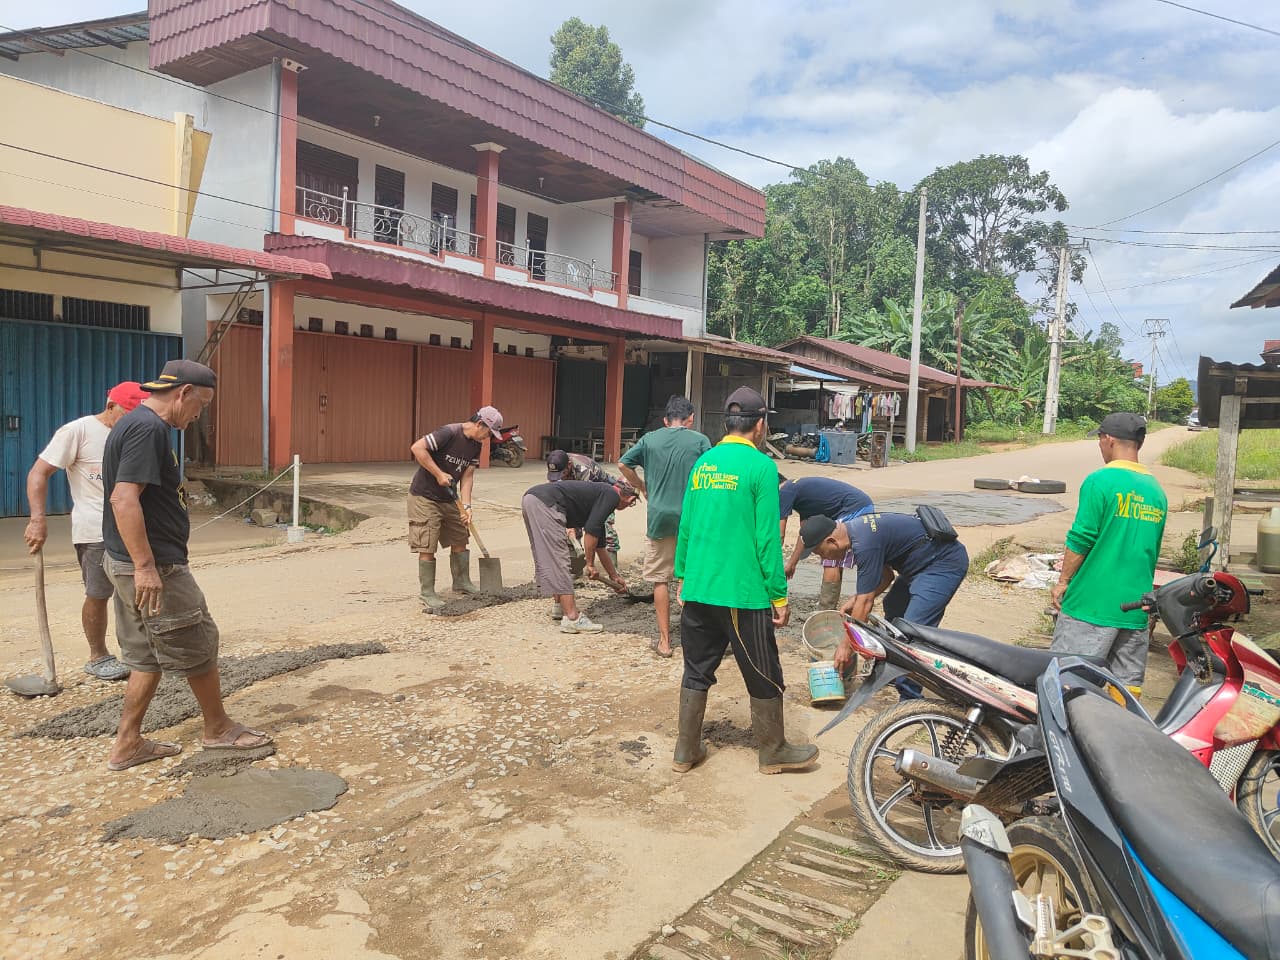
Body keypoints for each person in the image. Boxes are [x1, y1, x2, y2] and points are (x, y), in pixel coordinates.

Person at [101, 360, 272, 770]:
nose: (199, 415)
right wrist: (146, 566)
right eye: (202, 405)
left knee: (145, 656)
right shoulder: (148, 428)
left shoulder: (136, 423)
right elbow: (123, 499)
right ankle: (218, 729)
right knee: (197, 645)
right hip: (154, 568)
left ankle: (127, 744)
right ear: (184, 393)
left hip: (125, 563)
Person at [672, 387, 816, 775]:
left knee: (697, 668)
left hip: (699, 586)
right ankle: (773, 750)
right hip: (741, 591)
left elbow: (685, 525)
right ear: (760, 425)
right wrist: (779, 595)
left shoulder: (704, 464)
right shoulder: (761, 467)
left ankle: (685, 752)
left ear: (726, 423)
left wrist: (682, 576)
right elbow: (767, 538)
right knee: (763, 669)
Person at [22, 381, 149, 681]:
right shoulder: (77, 432)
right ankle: (98, 656)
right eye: (128, 414)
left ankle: (139, 653)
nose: (132, 421)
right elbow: (38, 473)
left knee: (136, 593)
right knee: (98, 593)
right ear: (110, 407)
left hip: (133, 528)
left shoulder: (138, 434)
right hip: (94, 531)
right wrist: (38, 519)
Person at [1051, 412, 1167, 697]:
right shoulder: (1156, 491)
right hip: (1136, 608)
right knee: (1126, 688)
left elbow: (1081, 538)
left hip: (1092, 605)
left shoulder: (1100, 481)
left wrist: (1064, 580)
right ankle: (1118, 740)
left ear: (1108, 439)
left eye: (1100, 441)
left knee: (1067, 681)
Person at [800, 511, 969, 698]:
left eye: (821, 553)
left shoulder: (864, 544)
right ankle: (891, 672)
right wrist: (856, 599)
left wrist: (846, 646)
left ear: (832, 542)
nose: (824, 559)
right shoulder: (858, 532)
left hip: (942, 566)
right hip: (918, 566)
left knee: (913, 633)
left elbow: (866, 603)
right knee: (893, 607)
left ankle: (910, 699)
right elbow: (886, 576)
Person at [618, 396, 711, 658]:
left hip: (658, 517)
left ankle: (665, 642)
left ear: (665, 419)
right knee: (692, 576)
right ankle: (697, 640)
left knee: (660, 579)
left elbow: (623, 464)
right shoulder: (700, 441)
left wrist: (641, 485)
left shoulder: (649, 439)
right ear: (690, 419)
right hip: (691, 517)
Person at [408, 406, 504, 610]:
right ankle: (427, 593)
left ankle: (461, 582)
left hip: (449, 498)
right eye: (488, 432)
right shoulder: (449, 433)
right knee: (428, 544)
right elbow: (417, 448)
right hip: (424, 496)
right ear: (480, 424)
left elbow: (467, 477)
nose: (488, 437)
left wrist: (466, 506)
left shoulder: (475, 446)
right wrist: (439, 474)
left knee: (461, 536)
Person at [521, 479, 638, 633]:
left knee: (550, 557)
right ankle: (572, 618)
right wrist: (590, 565)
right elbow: (590, 531)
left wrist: (614, 576)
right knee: (559, 560)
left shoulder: (601, 495)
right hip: (547, 503)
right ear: (630, 499)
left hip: (532, 499)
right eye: (632, 504)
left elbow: (600, 546)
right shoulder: (611, 496)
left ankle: (559, 606)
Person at [545, 448, 624, 619]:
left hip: (603, 493)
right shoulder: (556, 467)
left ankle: (613, 571)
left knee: (604, 530)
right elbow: (557, 494)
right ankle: (575, 571)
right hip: (577, 496)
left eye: (563, 472)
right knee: (568, 539)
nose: (559, 476)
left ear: (569, 465)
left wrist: (573, 526)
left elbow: (586, 510)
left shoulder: (584, 470)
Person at [779, 475, 874, 610]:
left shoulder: (784, 491)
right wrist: (791, 564)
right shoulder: (800, 494)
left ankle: (825, 611)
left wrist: (771, 566)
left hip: (854, 508)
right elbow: (806, 534)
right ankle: (830, 609)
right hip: (860, 504)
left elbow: (779, 536)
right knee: (831, 556)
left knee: (830, 557)